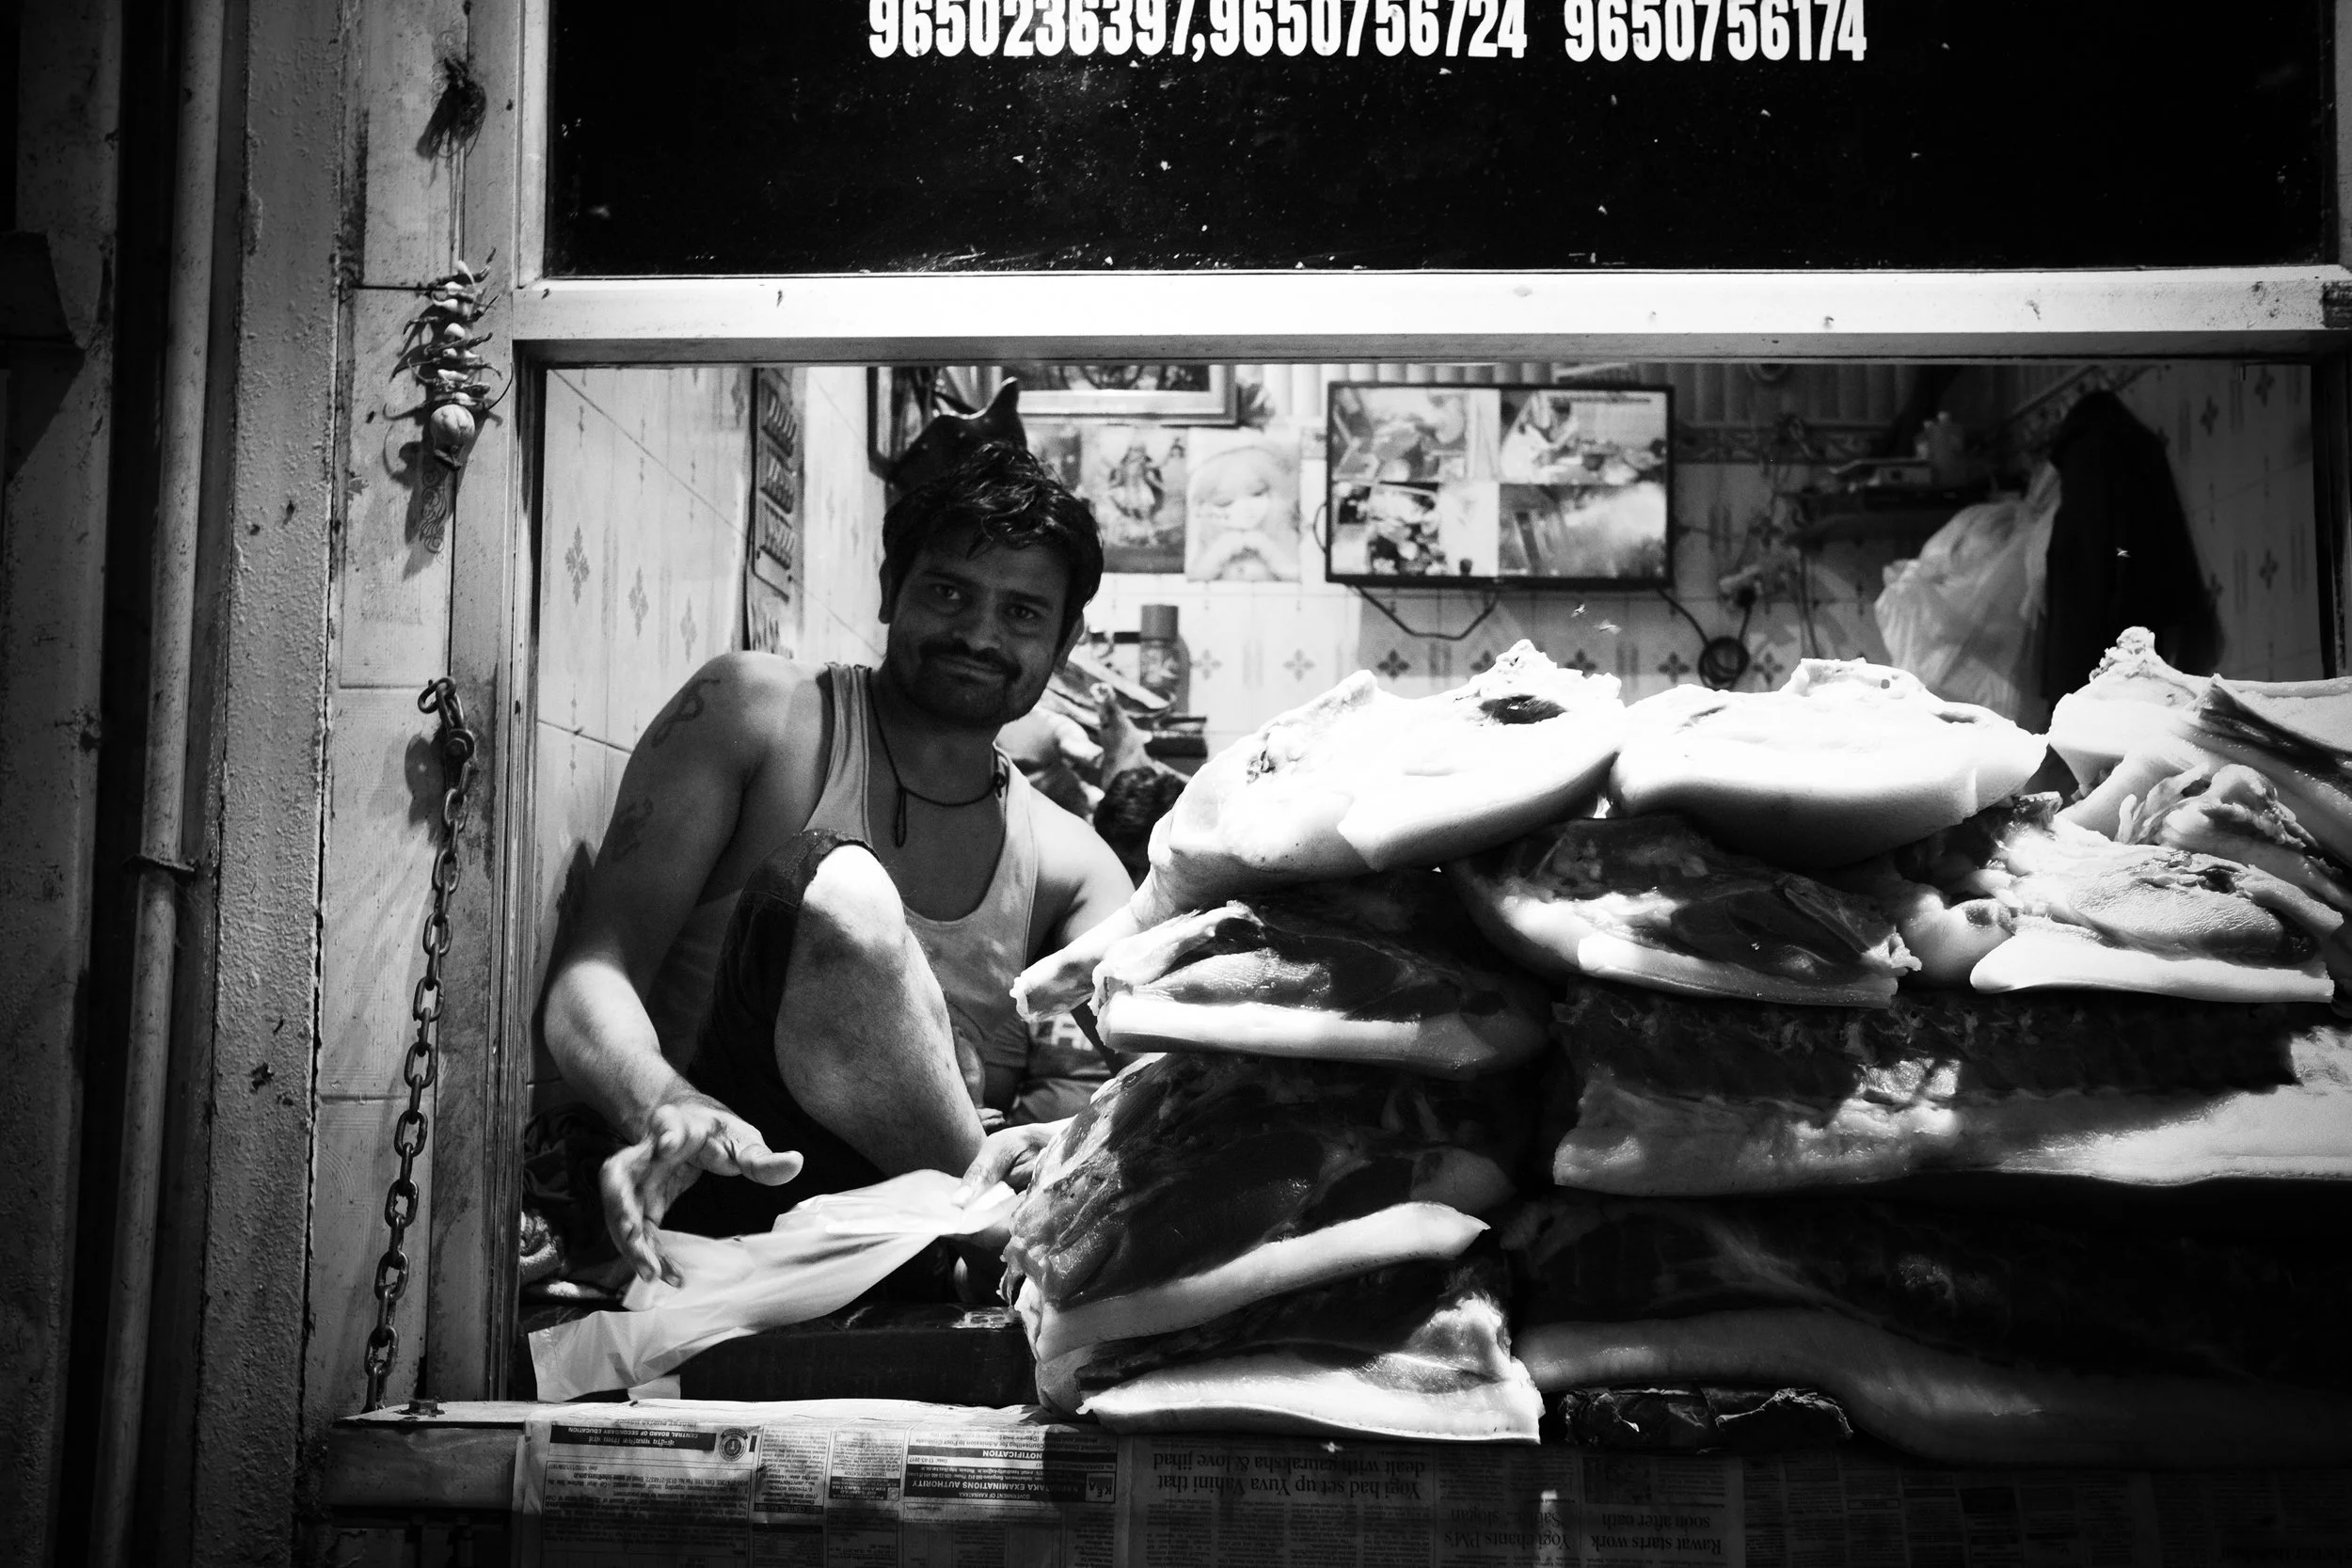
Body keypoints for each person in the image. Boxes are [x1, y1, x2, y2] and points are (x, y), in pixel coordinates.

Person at [542, 443, 1133, 1289]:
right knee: (841, 892)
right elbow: (590, 976)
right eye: (949, 592)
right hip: (728, 1200)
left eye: (1022, 613)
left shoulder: (1072, 864)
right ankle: (999, 1228)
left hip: (924, 1265)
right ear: (892, 588)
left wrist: (1070, 1146)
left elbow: (1164, 1067)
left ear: (1066, 640)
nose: (979, 634)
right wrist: (664, 1101)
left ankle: (997, 1226)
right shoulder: (757, 716)